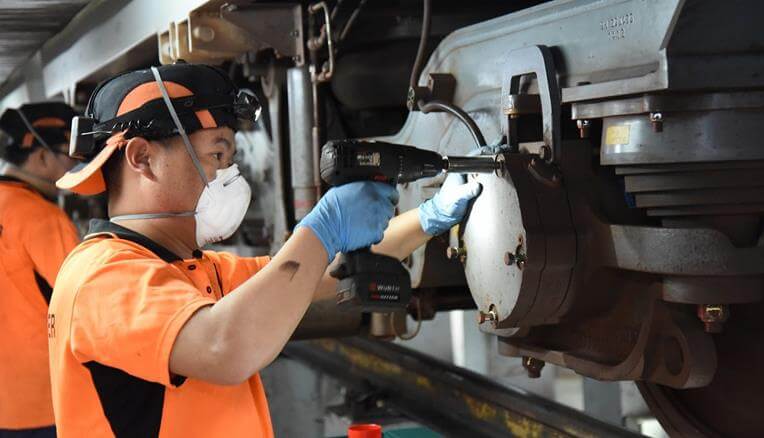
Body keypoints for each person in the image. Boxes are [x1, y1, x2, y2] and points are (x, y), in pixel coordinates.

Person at [48, 63, 481, 437]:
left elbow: (315, 271)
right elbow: (224, 348)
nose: (228, 174)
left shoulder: (190, 270)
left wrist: (428, 218)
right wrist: (323, 228)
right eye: (217, 154)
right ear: (142, 157)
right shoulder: (101, 277)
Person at [0, 103, 80, 438]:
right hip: (40, 403)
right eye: (68, 154)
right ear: (42, 158)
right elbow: (83, 304)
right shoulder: (43, 219)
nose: (76, 164)